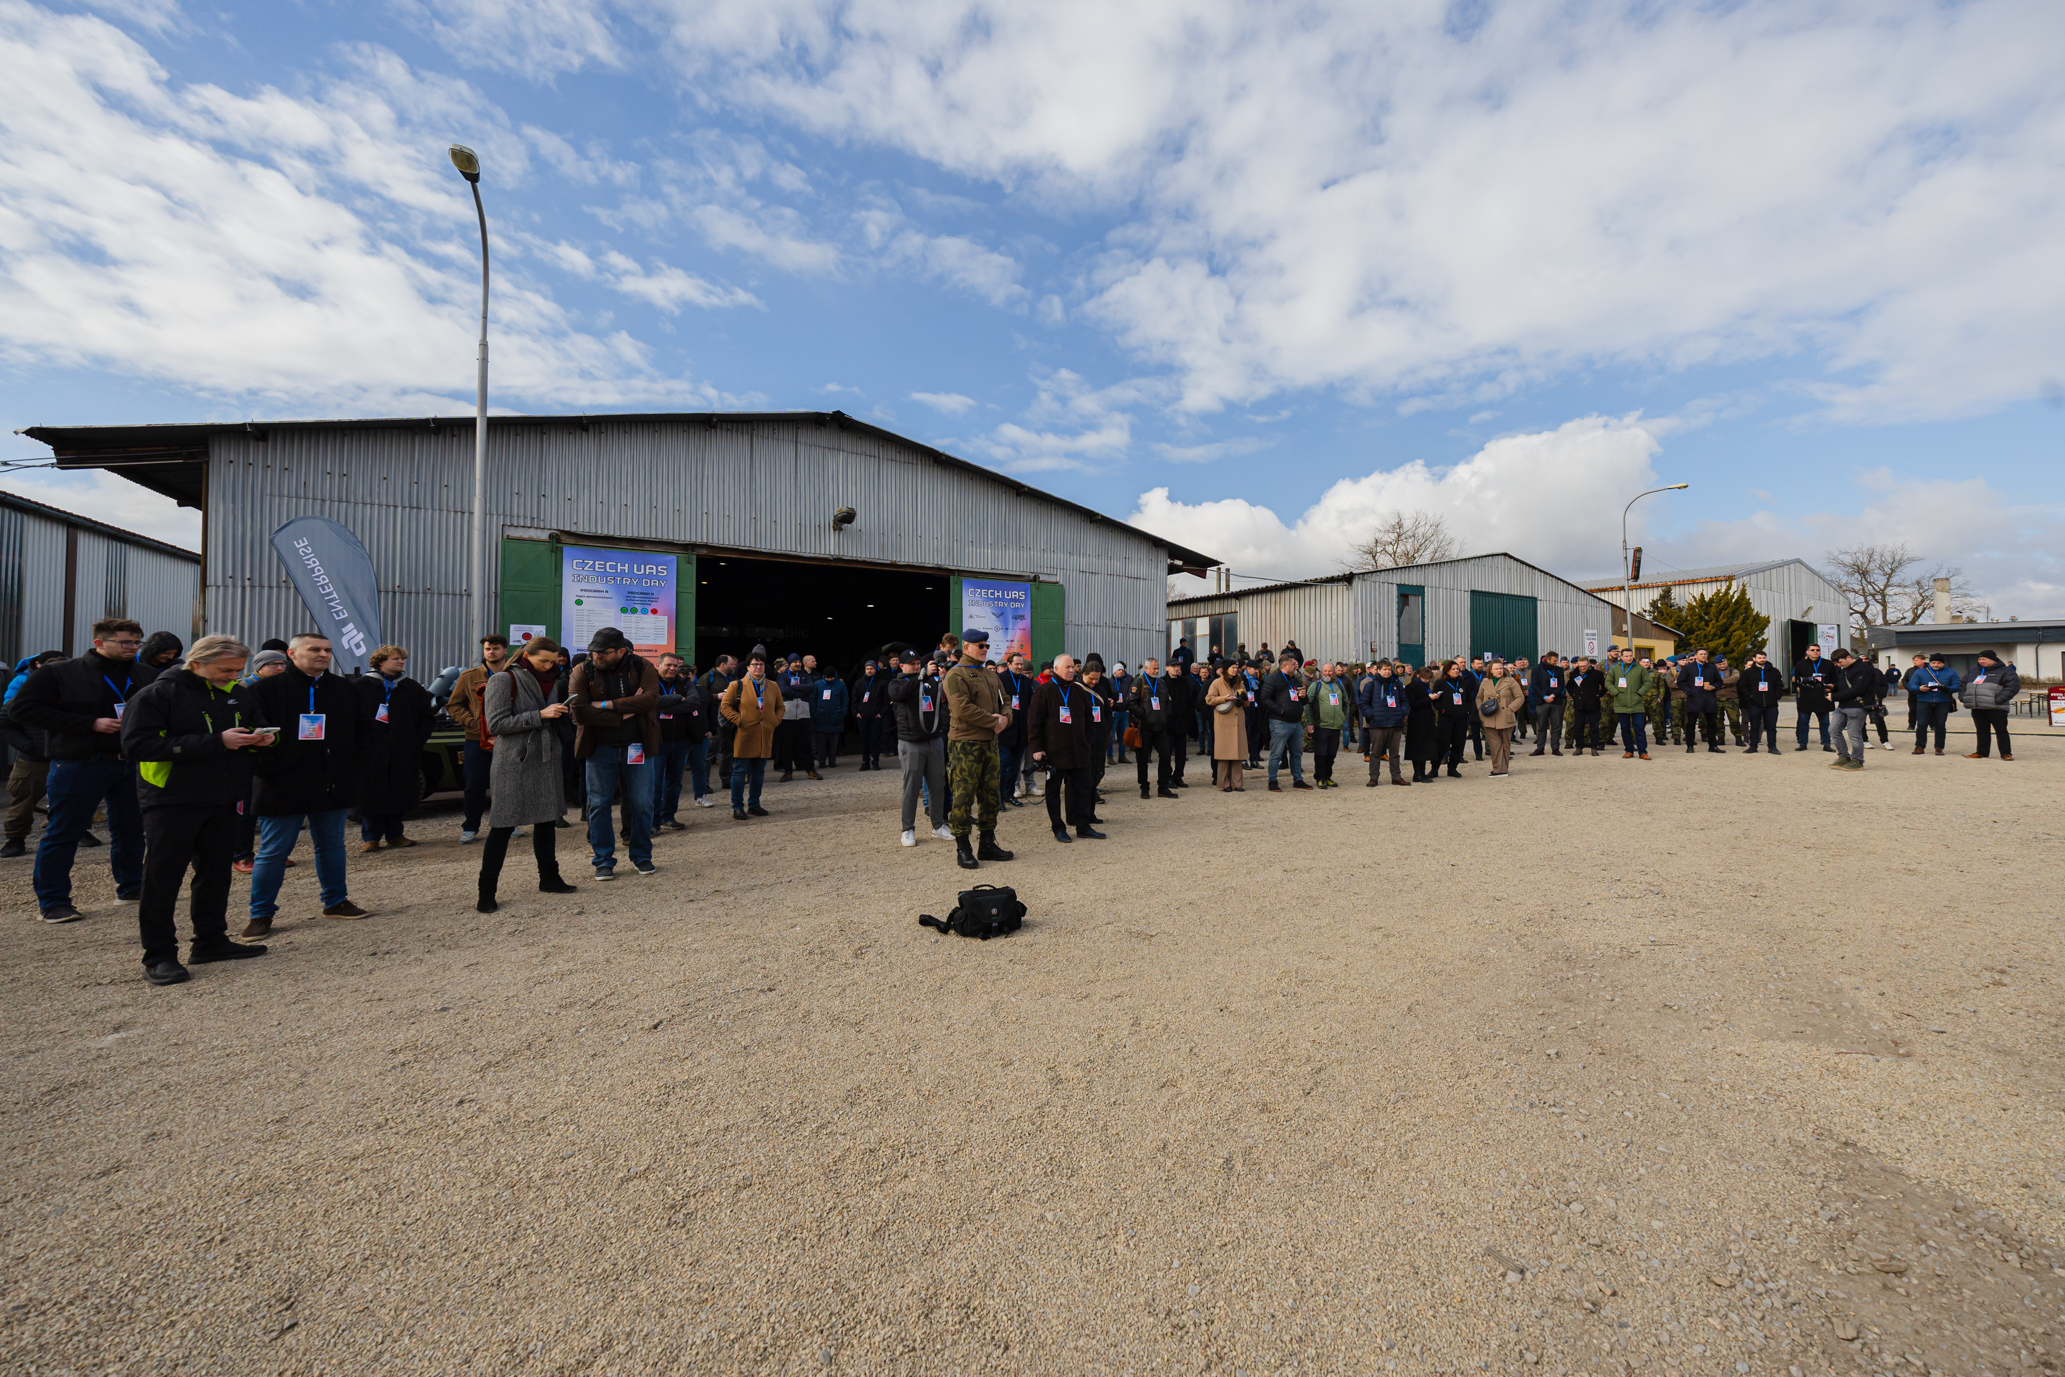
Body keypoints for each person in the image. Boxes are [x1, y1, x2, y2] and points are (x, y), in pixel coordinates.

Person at [119, 635, 271, 985]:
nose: (233, 676)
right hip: (171, 799)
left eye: (238, 670)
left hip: (224, 795)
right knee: (163, 878)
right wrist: (216, 741)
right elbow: (136, 745)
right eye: (226, 670)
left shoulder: (238, 692)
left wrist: (261, 738)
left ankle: (210, 941)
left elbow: (254, 725)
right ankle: (159, 955)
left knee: (215, 872)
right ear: (198, 662)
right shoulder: (158, 694)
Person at [14, 618, 156, 923]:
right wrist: (89, 723)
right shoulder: (60, 672)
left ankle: (131, 887)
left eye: (136, 642)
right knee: (64, 832)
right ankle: (53, 902)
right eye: (125, 642)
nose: (133, 647)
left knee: (131, 829)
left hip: (130, 762)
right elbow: (22, 709)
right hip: (79, 762)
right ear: (99, 643)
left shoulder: (145, 674)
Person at [245, 632, 371, 936]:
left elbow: (362, 731)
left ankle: (335, 901)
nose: (323, 655)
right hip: (282, 783)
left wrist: (352, 766)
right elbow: (252, 735)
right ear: (291, 654)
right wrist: (268, 769)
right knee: (273, 851)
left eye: (327, 650)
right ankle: (260, 914)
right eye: (314, 649)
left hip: (331, 782)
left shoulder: (345, 689)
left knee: (331, 845)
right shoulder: (266, 689)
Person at [477, 636, 580, 911]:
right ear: (526, 655)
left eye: (553, 662)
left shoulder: (553, 680)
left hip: (546, 757)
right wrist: (540, 715)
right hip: (514, 761)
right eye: (543, 661)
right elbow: (497, 724)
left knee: (546, 821)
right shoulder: (503, 679)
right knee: (502, 825)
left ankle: (550, 878)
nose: (548, 666)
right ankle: (486, 891)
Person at [569, 627, 662, 880]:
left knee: (642, 804)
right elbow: (580, 711)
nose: (596, 655)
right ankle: (603, 861)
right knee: (599, 805)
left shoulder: (642, 666)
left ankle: (641, 856)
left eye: (603, 652)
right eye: (593, 651)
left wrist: (604, 705)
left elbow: (650, 700)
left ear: (621, 651)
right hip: (599, 748)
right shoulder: (582, 670)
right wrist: (626, 712)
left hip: (637, 746)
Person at [942, 628, 1014, 870]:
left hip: (990, 743)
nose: (985, 649)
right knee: (963, 797)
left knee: (991, 795)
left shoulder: (991, 675)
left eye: (986, 645)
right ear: (966, 647)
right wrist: (994, 721)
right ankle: (963, 848)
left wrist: (1006, 718)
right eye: (980, 645)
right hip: (965, 744)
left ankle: (987, 844)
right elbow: (961, 708)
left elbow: (1006, 701)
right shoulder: (956, 674)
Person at [355, 644, 434, 852]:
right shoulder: (360, 686)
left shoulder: (412, 687)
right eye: (395, 659)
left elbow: (426, 717)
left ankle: (395, 834)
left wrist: (416, 741)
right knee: (371, 793)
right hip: (371, 751)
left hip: (403, 750)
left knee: (399, 792)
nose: (401, 662)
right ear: (380, 662)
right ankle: (371, 838)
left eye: (402, 659)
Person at [1026, 654, 1103, 843]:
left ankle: (1083, 826)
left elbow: (1089, 719)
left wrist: (1087, 741)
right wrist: (1037, 749)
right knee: (1053, 792)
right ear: (1056, 669)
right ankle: (1058, 828)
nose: (1071, 670)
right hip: (1055, 753)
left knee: (1084, 789)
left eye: (1072, 667)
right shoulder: (1044, 691)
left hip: (1079, 751)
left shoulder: (1078, 691)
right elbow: (1034, 723)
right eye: (1067, 667)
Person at [2, 650, 69, 857]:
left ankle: (78, 833)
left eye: (61, 662)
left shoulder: (75, 693)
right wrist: (28, 746)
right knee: (24, 800)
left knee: (73, 798)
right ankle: (15, 839)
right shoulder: (25, 692)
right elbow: (5, 723)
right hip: (34, 759)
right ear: (39, 666)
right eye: (52, 662)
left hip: (68, 757)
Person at [446, 634, 511, 842]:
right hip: (477, 739)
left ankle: (511, 823)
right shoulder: (469, 676)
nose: (491, 652)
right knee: (474, 783)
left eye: (496, 648)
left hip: (508, 737)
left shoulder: (515, 674)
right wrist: (472, 723)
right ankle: (470, 828)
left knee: (508, 783)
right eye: (488, 649)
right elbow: (454, 705)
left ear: (505, 650)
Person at [884, 648, 951, 846]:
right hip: (911, 742)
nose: (916, 666)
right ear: (901, 666)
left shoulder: (930, 681)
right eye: (912, 664)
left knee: (938, 785)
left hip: (933, 740)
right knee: (911, 788)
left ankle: (938, 825)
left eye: (918, 663)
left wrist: (944, 678)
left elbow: (944, 700)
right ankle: (907, 829)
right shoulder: (897, 683)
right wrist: (922, 676)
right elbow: (899, 694)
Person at [719, 652, 781, 820]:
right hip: (744, 734)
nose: (758, 667)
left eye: (761, 664)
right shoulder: (736, 685)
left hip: (764, 734)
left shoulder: (773, 686)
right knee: (740, 771)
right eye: (755, 664)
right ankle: (737, 807)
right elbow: (725, 706)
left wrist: (774, 721)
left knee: (759, 771)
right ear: (748, 667)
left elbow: (780, 707)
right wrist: (739, 720)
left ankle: (754, 804)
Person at [652, 652, 709, 829]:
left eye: (675, 666)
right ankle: (653, 822)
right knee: (655, 783)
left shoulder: (686, 683)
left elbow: (694, 703)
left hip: (681, 741)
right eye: (668, 665)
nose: (672, 668)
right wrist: (677, 698)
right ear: (658, 665)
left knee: (674, 782)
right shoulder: (650, 682)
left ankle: (668, 817)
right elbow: (650, 702)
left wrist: (664, 708)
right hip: (657, 741)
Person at [1259, 650, 1312, 791]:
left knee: (1297, 753)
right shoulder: (1273, 679)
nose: (1296, 666)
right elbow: (1264, 698)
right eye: (1293, 664)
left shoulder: (1295, 680)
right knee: (1276, 753)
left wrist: (1303, 696)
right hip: (1280, 722)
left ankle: (1298, 779)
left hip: (1296, 723)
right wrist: (1280, 710)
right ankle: (1272, 780)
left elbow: (1305, 701)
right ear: (1285, 665)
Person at [1357, 659, 1409, 785]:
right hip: (1378, 724)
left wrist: (1401, 712)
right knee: (1375, 752)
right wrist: (1372, 714)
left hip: (1395, 723)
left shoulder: (1397, 684)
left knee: (1394, 753)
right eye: (1385, 669)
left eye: (1389, 669)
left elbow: (1405, 701)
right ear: (1378, 670)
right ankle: (1373, 777)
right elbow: (1363, 703)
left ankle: (1396, 776)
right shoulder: (1371, 685)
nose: (1387, 672)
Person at [1960, 651, 2019, 761]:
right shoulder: (1973, 671)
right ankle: (1981, 752)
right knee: (1981, 730)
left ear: (1993, 659)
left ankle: (2006, 753)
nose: (1981, 661)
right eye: (1979, 659)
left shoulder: (2006, 671)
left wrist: (1999, 699)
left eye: (1984, 659)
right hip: (1977, 706)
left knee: (2001, 730)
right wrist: (1964, 697)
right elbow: (1963, 684)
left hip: (1996, 707)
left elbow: (2013, 686)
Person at [1827, 649, 1878, 771]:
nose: (1839, 665)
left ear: (1848, 657)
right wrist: (1833, 687)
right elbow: (1844, 685)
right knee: (1833, 730)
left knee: (1854, 734)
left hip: (1857, 706)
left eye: (1840, 662)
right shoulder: (1845, 669)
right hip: (1843, 705)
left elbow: (1857, 689)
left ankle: (1857, 760)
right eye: (1837, 663)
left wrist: (1834, 697)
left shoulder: (1864, 669)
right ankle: (1843, 756)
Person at [995, 652, 1033, 812]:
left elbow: (1030, 704)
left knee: (1015, 766)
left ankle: (1009, 794)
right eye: (1016, 664)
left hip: (1021, 732)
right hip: (1005, 731)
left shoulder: (1025, 681)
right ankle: (998, 798)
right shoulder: (1000, 679)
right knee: (1003, 765)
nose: (1019, 667)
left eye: (1021, 664)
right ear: (1008, 664)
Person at [1476, 657, 1526, 777]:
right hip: (1489, 716)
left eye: (1500, 668)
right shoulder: (1485, 682)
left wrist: (1510, 708)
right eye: (1496, 669)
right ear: (1490, 670)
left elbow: (1520, 697)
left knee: (1505, 744)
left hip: (1505, 716)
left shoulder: (1510, 681)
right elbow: (1479, 697)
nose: (1499, 671)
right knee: (1494, 745)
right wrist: (1481, 710)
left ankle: (1502, 769)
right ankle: (1498, 769)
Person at [1304, 662, 1349, 788]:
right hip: (1321, 725)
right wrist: (1309, 722)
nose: (1327, 673)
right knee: (1321, 754)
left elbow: (1346, 702)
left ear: (1334, 672)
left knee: (1331, 754)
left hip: (1335, 726)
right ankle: (1320, 777)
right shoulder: (1316, 686)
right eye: (1325, 671)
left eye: (1330, 671)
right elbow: (1307, 704)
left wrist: (1342, 717)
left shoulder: (1339, 686)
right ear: (1321, 672)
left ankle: (1328, 776)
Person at [1203, 662, 1247, 791]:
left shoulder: (1240, 683)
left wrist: (1244, 699)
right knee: (1224, 754)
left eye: (1236, 667)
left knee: (1237, 753)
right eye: (1233, 667)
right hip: (1224, 721)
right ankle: (1224, 783)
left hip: (1238, 721)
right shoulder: (1217, 682)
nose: (1235, 670)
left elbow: (1247, 704)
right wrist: (1224, 698)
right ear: (1226, 669)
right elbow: (1209, 699)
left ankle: (1237, 783)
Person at [1908, 652, 1960, 756]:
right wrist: (1919, 688)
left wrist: (1946, 689)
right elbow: (1911, 685)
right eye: (1933, 663)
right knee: (1921, 724)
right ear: (1930, 662)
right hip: (1924, 700)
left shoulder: (1951, 672)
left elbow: (1957, 686)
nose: (1936, 665)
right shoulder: (1920, 672)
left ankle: (1939, 747)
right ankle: (1919, 746)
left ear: (1943, 663)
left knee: (1940, 725)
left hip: (1942, 701)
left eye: (1939, 663)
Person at [775, 654, 817, 782]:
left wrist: (792, 688)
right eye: (795, 662)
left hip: (804, 713)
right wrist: (800, 692)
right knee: (787, 744)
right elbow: (783, 690)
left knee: (806, 744)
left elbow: (811, 687)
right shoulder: (782, 676)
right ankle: (788, 772)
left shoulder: (805, 675)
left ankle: (810, 770)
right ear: (790, 663)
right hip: (787, 714)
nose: (798, 664)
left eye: (799, 662)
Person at [1737, 652, 1784, 754]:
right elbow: (1742, 686)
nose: (1762, 659)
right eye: (1759, 658)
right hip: (1754, 704)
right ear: (1754, 659)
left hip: (1771, 704)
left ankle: (1772, 747)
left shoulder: (1774, 671)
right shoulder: (1747, 673)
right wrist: (1750, 697)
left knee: (1771, 727)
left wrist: (1776, 696)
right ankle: (1753, 746)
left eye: (1764, 657)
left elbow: (1779, 685)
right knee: (1754, 726)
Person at [1608, 651, 1653, 759]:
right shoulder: (1615, 669)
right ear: (1621, 657)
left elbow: (1648, 683)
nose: (1629, 658)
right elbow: (1608, 682)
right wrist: (1616, 692)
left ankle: (1642, 751)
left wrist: (1639, 693)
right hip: (1621, 703)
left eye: (1631, 656)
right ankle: (1629, 750)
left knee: (1639, 728)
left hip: (1637, 702)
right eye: (1626, 656)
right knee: (1625, 728)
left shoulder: (1640, 669)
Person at [1678, 649, 1723, 754]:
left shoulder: (1712, 667)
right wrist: (1689, 691)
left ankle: (1713, 746)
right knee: (1691, 723)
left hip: (1709, 698)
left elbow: (1719, 681)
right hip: (1694, 698)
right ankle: (1690, 745)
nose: (1703, 656)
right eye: (1701, 654)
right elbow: (1680, 682)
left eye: (1705, 654)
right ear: (1696, 655)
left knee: (1712, 723)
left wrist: (1713, 687)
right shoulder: (1688, 667)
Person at [851, 658, 893, 771]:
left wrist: (881, 713)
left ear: (875, 669)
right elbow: (854, 699)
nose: (869, 670)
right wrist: (856, 713)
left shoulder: (882, 682)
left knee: (875, 739)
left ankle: (875, 761)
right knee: (864, 740)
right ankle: (865, 761)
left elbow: (886, 700)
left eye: (871, 668)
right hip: (862, 716)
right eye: (867, 669)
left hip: (876, 716)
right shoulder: (859, 683)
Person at [1792, 643, 1835, 752]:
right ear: (1807, 652)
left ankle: (1826, 743)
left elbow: (1834, 679)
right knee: (1803, 721)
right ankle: (1802, 743)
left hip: (1822, 697)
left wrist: (1831, 688)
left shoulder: (1828, 664)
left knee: (1825, 722)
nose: (1815, 652)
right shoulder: (1800, 664)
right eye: (1812, 650)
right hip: (1806, 696)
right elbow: (1797, 680)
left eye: (1817, 650)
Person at [1160, 660, 1195, 787]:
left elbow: (1189, 700)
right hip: (1167, 724)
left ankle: (1178, 776)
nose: (1176, 668)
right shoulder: (1162, 682)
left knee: (1181, 753)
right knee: (1166, 752)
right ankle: (1167, 777)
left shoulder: (1183, 682)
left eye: (1177, 666)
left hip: (1181, 722)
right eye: (1173, 666)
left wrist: (1188, 718)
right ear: (1167, 668)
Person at [810, 664, 848, 770]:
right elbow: (813, 700)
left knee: (833, 743)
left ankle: (832, 761)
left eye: (831, 677)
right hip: (821, 717)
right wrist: (814, 714)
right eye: (827, 678)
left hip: (836, 716)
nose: (829, 679)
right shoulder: (818, 684)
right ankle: (821, 761)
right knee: (821, 743)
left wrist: (842, 714)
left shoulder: (841, 685)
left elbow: (845, 700)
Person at [1563, 657, 1604, 756]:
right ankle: (1579, 747)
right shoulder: (1574, 674)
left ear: (1589, 664)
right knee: (1578, 727)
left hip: (1593, 703)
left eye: (1584, 666)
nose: (1582, 668)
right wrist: (1574, 695)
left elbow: (1604, 686)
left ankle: (1594, 747)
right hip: (1579, 704)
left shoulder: (1597, 674)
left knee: (1594, 727)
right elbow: (1569, 686)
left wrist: (1598, 695)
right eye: (1580, 666)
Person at [1527, 653, 1564, 757]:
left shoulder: (1559, 670)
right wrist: (1544, 696)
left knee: (1556, 726)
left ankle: (1555, 748)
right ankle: (1540, 748)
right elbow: (1535, 685)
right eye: (1554, 660)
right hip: (1542, 702)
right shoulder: (1536, 670)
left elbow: (1561, 685)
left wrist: (1553, 695)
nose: (1556, 662)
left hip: (1556, 701)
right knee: (1541, 726)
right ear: (1547, 660)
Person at [1713, 655, 1745, 746]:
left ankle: (1738, 737)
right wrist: (1726, 683)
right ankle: (1720, 737)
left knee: (1734, 719)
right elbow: (1711, 682)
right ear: (1716, 665)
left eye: (1724, 663)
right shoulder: (1713, 672)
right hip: (1717, 698)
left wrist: (1719, 683)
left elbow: (1734, 679)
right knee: (1717, 719)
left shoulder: (1733, 671)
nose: (1722, 665)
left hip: (1731, 698)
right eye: (1720, 664)